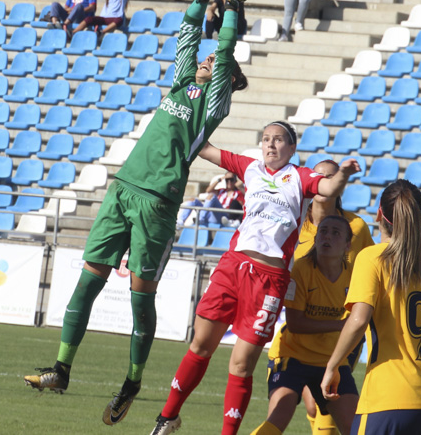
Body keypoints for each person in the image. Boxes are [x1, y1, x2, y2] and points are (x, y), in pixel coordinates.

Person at [24, 0, 268, 426]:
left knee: (141, 298)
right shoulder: (183, 83)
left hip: (157, 201)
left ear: (227, 80)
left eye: (214, 63)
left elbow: (225, 46)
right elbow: (187, 33)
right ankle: (61, 369)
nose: (206, 60)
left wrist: (233, 5)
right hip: (123, 189)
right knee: (88, 281)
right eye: (206, 59)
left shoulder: (214, 104)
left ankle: (133, 381)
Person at [148, 125, 359, 435]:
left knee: (241, 363)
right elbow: (204, 148)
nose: (270, 145)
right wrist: (180, 120)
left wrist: (343, 174)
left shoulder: (299, 177)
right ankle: (168, 416)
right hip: (233, 266)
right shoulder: (249, 167)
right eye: (265, 139)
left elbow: (328, 189)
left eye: (278, 140)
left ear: (291, 147)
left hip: (269, 280)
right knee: (200, 345)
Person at [319, 180, 421, 435]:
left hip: (387, 400)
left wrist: (333, 366)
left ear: (380, 215)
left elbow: (359, 320)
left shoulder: (371, 258)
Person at [245, 215, 360, 435]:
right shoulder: (301, 269)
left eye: (336, 232)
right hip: (292, 357)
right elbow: (295, 323)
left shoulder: (354, 275)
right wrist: (339, 326)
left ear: (347, 245)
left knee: (356, 428)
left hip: (332, 361)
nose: (327, 236)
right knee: (279, 418)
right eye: (323, 231)